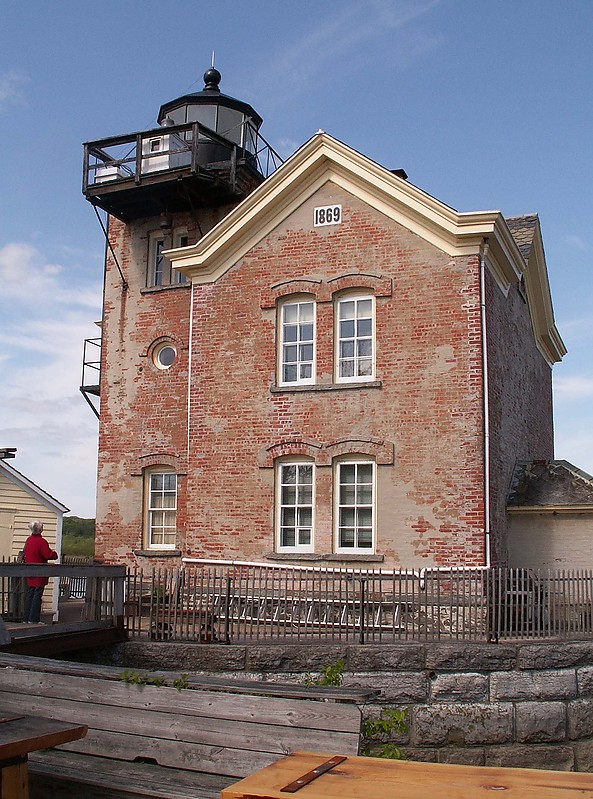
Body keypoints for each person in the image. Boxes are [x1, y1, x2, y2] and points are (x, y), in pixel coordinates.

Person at [22, 520, 58, 624]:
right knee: (37, 596)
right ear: (40, 529)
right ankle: (34, 619)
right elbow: (48, 555)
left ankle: (26, 618)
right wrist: (54, 554)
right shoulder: (42, 542)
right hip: (39, 573)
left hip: (30, 572)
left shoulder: (28, 540)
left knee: (30, 595)